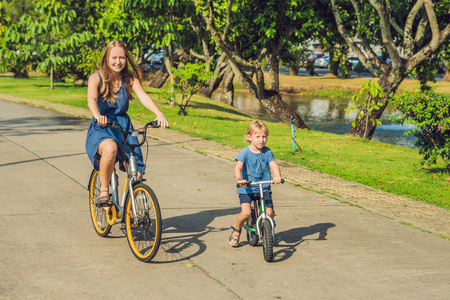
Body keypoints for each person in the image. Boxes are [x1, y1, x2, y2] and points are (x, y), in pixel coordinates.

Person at [85, 40, 168, 206]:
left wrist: (158, 113)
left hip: (124, 127)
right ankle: (104, 191)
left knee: (136, 170)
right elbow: (91, 99)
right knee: (110, 148)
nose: (118, 62)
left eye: (122, 58)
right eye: (114, 57)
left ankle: (131, 204)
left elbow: (144, 96)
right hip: (102, 126)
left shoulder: (129, 78)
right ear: (107, 58)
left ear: (126, 59)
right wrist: (97, 115)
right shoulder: (96, 78)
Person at [229, 120, 282, 247]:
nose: (261, 140)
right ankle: (237, 230)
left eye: (264, 137)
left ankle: (266, 226)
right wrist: (240, 179)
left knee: (269, 213)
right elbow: (238, 168)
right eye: (258, 136)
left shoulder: (267, 152)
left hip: (263, 187)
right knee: (246, 212)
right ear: (249, 137)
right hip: (246, 188)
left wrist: (277, 176)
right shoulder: (245, 152)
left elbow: (273, 165)